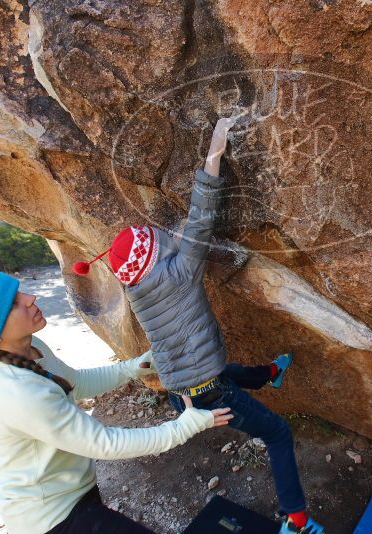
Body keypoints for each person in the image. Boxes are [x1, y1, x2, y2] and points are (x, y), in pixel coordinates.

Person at [73, 117, 324, 533]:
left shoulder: (137, 288)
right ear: (154, 257)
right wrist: (214, 155)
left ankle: (270, 374)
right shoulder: (180, 271)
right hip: (207, 394)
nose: (166, 236)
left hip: (180, 391)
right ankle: (296, 521)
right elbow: (200, 218)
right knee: (278, 435)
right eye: (158, 239)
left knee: (221, 371)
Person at [0, 272, 233, 534]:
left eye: (20, 291)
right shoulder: (15, 392)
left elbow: (76, 382)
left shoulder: (29, 349)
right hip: (50, 519)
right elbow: (104, 443)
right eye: (13, 302)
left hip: (71, 495)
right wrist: (185, 426)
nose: (30, 297)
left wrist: (131, 368)